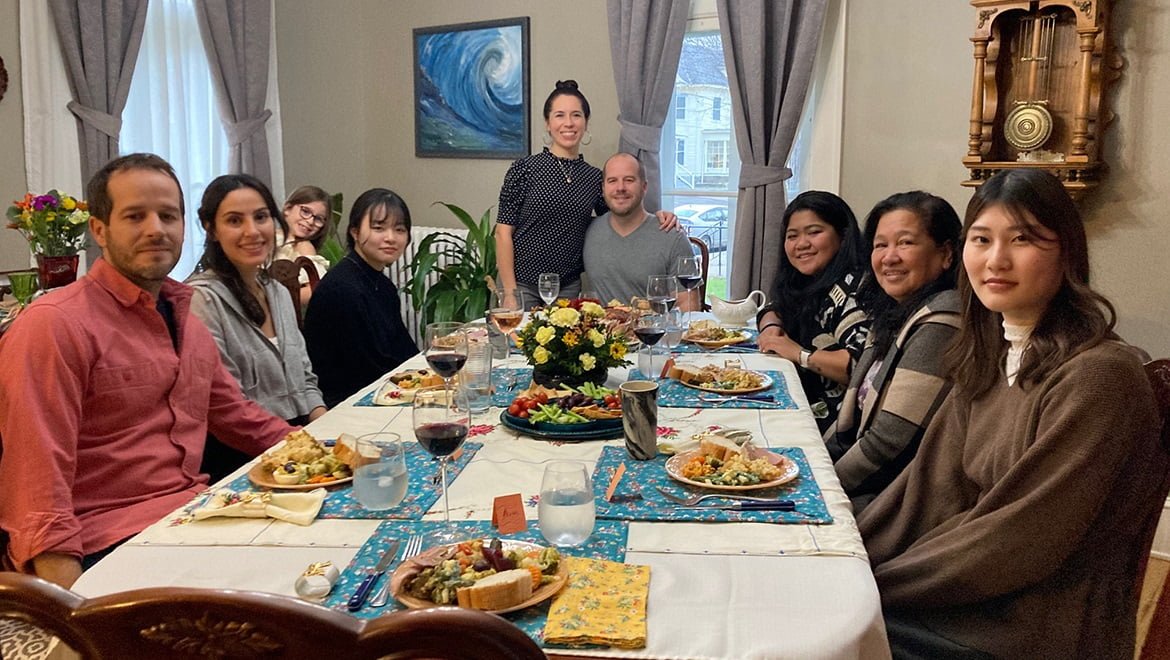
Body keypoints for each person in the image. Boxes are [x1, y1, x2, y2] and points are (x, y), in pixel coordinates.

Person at [858, 169, 1163, 659]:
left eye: (1023, 239)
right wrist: (844, 559)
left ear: (1067, 251)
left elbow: (1018, 539)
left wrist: (872, 587)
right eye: (982, 239)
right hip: (967, 591)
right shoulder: (990, 357)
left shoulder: (1100, 377)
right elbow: (927, 493)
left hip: (1034, 625)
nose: (996, 259)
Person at [0, 154, 295, 587]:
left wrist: (332, 453)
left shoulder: (186, 321)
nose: (156, 229)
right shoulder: (54, 326)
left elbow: (239, 418)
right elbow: (37, 484)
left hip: (195, 517)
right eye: (135, 216)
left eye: (168, 216)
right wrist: (71, 611)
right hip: (105, 544)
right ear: (99, 230)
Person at [824, 192, 961, 514]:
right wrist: (811, 461)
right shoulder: (895, 313)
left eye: (905, 243)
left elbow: (889, 443)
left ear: (946, 254)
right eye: (880, 245)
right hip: (866, 482)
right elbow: (849, 420)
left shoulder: (943, 322)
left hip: (896, 501)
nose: (889, 257)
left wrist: (821, 484)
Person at [187, 175, 327, 479]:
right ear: (211, 229)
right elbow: (229, 410)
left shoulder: (277, 291)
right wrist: (299, 445)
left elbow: (305, 378)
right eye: (235, 221)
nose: (252, 231)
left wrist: (327, 428)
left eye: (261, 217)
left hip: (298, 440)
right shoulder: (202, 300)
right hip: (243, 458)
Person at [496, 80, 676, 305]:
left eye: (576, 115)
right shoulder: (525, 169)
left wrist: (658, 215)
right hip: (522, 286)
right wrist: (510, 293)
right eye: (560, 115)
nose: (568, 123)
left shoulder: (594, 177)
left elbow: (622, 214)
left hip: (568, 288)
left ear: (586, 122)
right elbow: (502, 233)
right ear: (547, 123)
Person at [756, 191, 870, 433]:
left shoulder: (854, 288)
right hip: (805, 405)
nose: (801, 244)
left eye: (814, 232)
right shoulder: (811, 280)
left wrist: (799, 353)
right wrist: (770, 327)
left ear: (843, 234)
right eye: (792, 236)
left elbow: (860, 366)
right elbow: (774, 306)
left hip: (836, 427)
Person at [303, 188, 417, 407]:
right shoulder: (342, 288)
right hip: (347, 402)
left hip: (381, 389)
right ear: (355, 231)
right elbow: (370, 368)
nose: (390, 238)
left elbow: (405, 351)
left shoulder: (382, 285)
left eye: (399, 229)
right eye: (378, 228)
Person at [583, 153, 698, 308]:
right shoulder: (588, 230)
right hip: (603, 330)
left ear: (644, 187)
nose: (620, 188)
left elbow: (688, 303)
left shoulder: (671, 235)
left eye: (629, 180)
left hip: (655, 330)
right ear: (603, 189)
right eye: (612, 181)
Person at [275, 185, 332, 307]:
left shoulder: (304, 247)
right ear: (288, 209)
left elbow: (315, 287)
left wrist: (271, 302)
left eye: (318, 219)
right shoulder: (267, 236)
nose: (310, 221)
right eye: (305, 211)